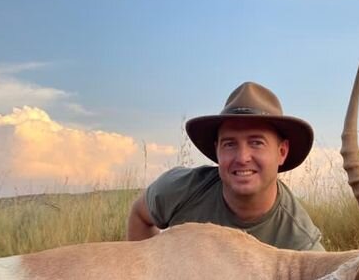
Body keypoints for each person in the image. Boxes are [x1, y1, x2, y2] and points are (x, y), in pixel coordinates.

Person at [126, 81, 324, 251]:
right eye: (229, 144)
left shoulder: (300, 242)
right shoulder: (182, 189)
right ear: (217, 150)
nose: (242, 157)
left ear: (282, 152)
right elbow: (139, 214)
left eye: (256, 142)